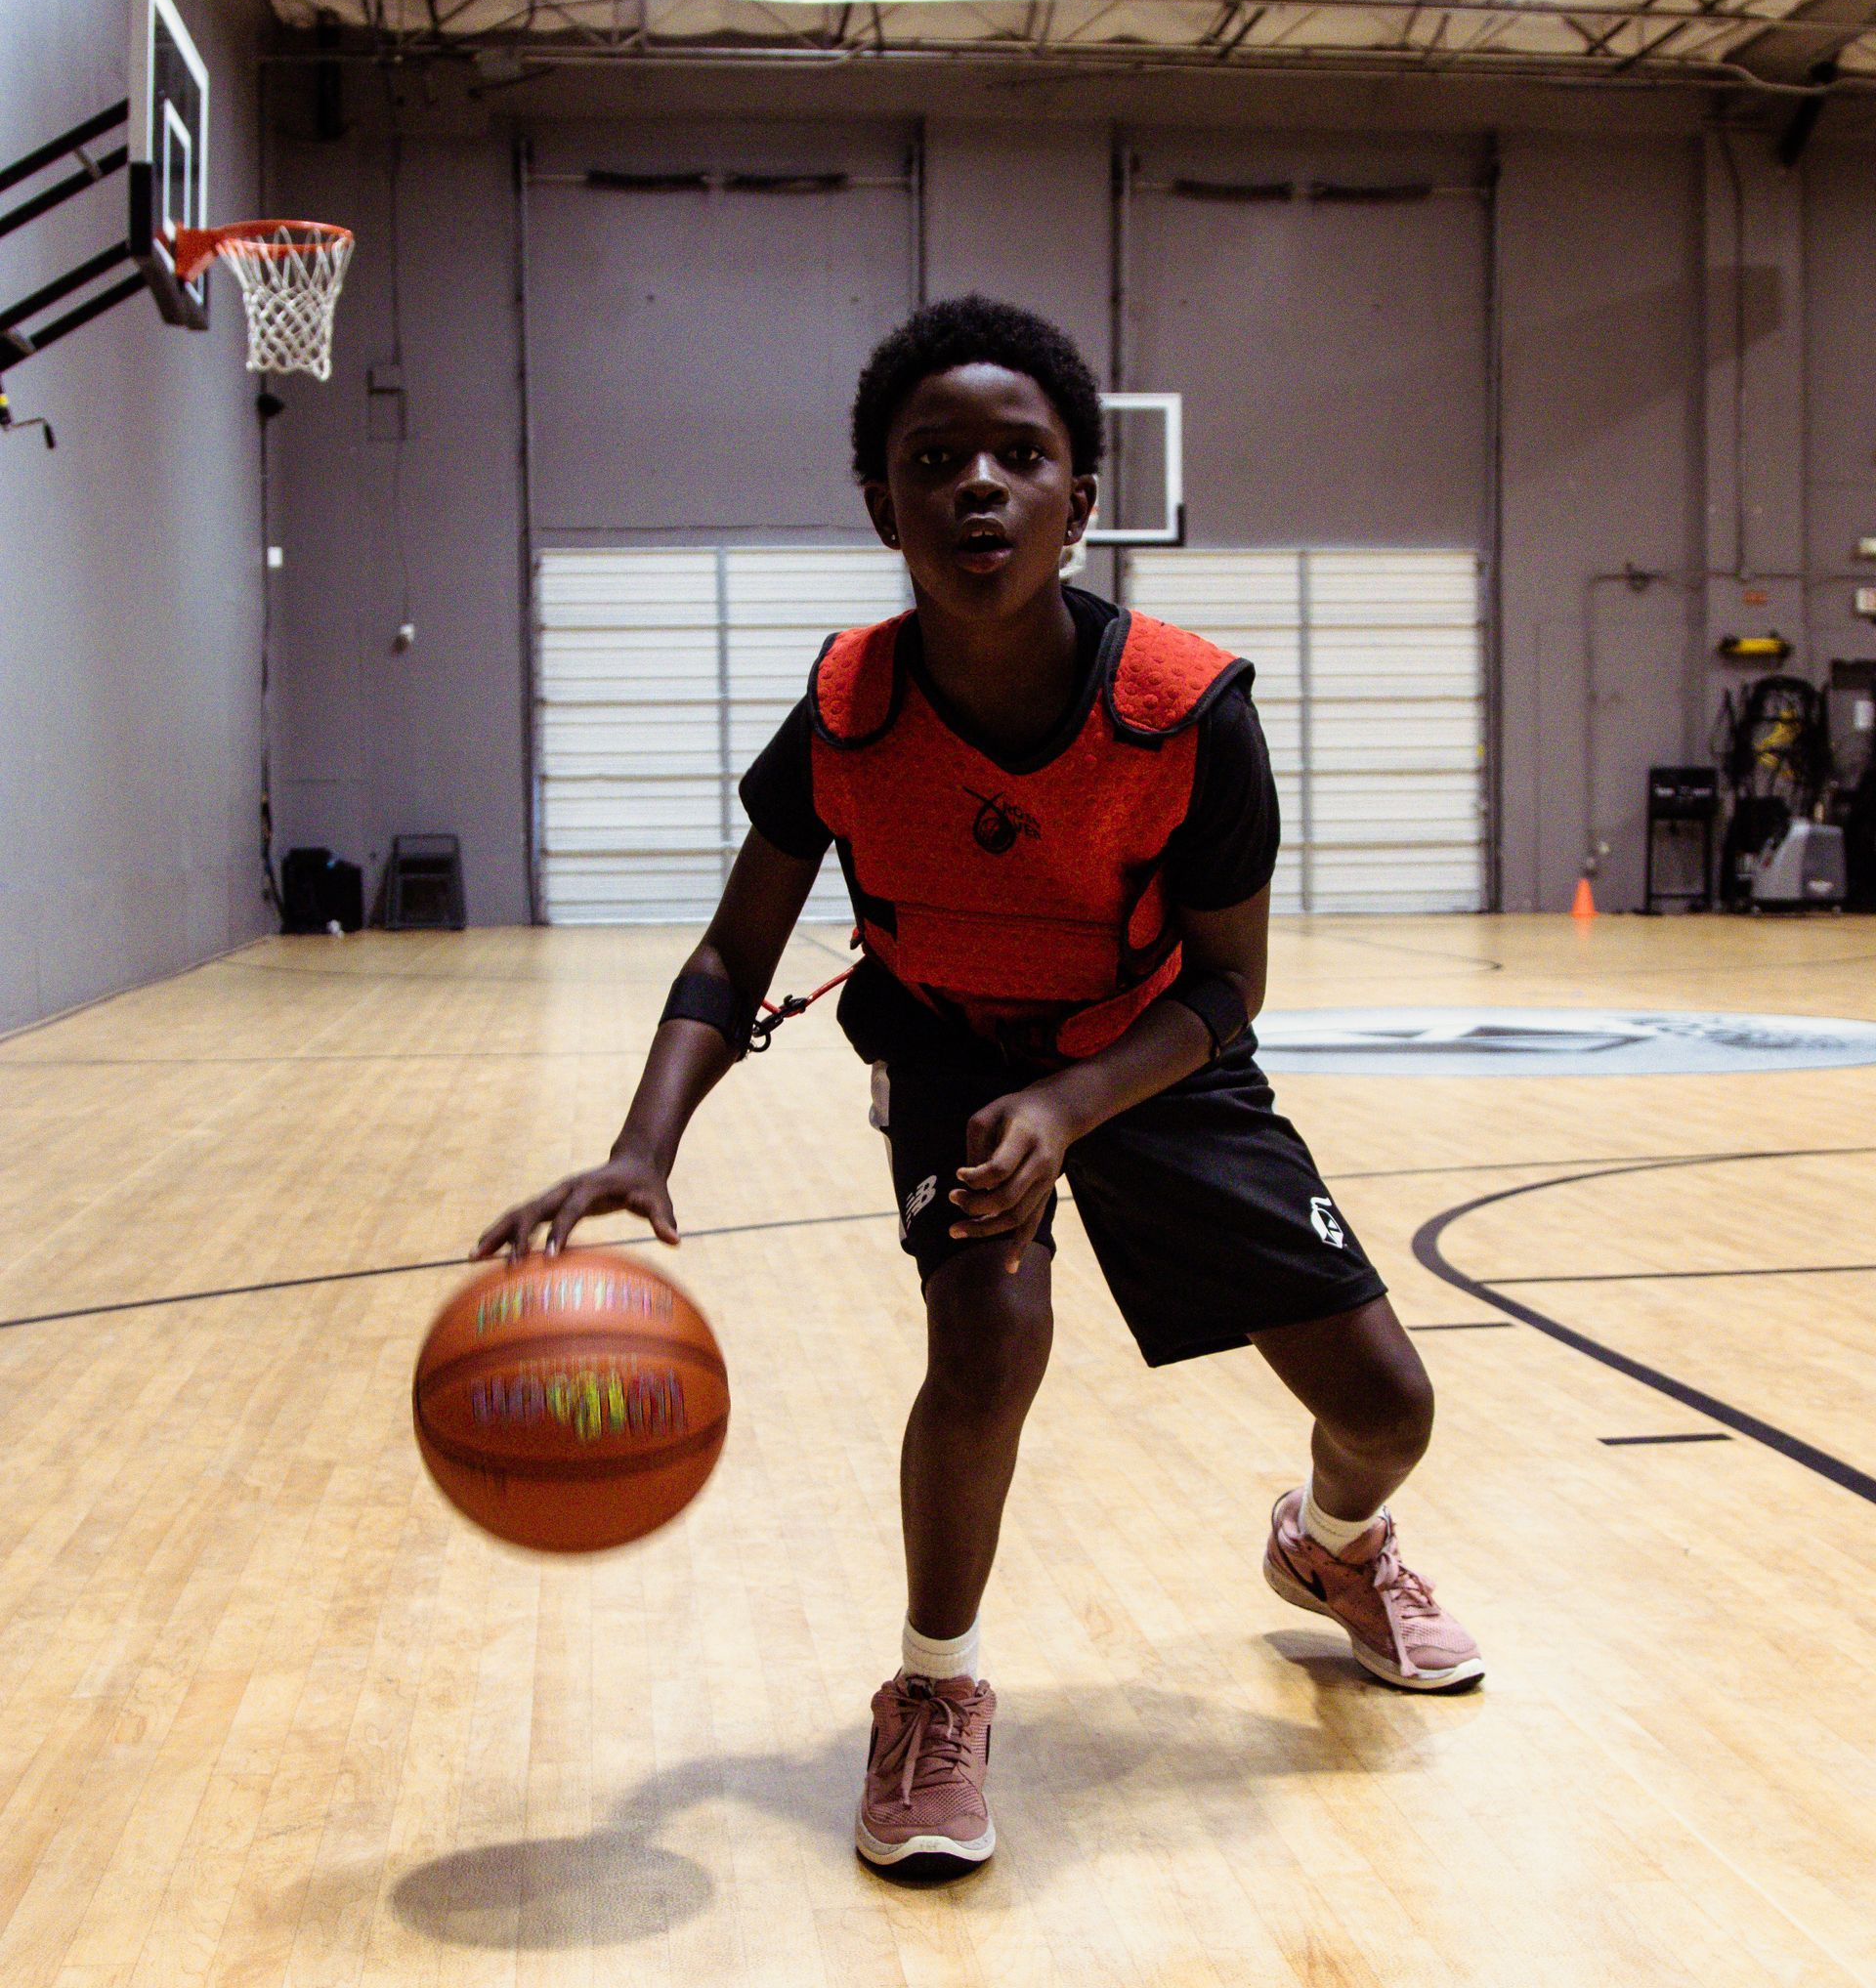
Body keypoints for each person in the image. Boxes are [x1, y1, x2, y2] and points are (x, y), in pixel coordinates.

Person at [479, 295, 1481, 1881]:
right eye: (933, 460)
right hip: (951, 1041)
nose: (978, 488)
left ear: (1084, 496)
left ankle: (1335, 1545)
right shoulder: (850, 706)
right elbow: (736, 955)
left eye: (1022, 457)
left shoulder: (1190, 711)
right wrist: (639, 1145)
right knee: (989, 1329)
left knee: (1389, 1405)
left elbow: (1232, 987)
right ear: (882, 502)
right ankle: (933, 1689)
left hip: (1149, 1046)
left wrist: (1081, 1099)